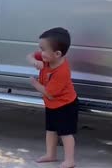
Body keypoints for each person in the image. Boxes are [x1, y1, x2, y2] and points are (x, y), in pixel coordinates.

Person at [27, 27, 78, 168]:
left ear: (57, 54)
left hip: (65, 105)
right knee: (50, 130)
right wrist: (34, 61)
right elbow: (30, 55)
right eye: (40, 48)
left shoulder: (61, 71)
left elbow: (50, 93)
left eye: (43, 50)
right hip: (52, 105)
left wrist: (34, 83)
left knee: (65, 134)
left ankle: (70, 160)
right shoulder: (47, 57)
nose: (40, 53)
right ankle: (51, 154)